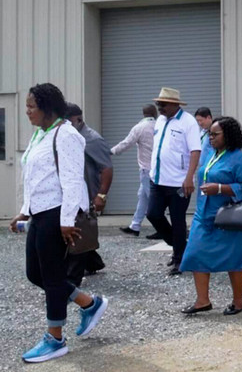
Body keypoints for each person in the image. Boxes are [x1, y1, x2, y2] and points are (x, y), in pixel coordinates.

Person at [9, 83, 108, 363]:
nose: (27, 111)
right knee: (35, 274)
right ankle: (88, 303)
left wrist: (66, 221)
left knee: (52, 277)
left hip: (57, 214)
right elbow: (35, 178)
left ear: (47, 108)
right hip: (40, 213)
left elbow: (73, 180)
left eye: (31, 106)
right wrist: (24, 212)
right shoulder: (41, 134)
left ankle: (55, 339)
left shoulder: (66, 135)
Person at [179, 116, 242, 315]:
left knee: (234, 259)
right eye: (209, 134)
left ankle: (238, 301)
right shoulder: (212, 154)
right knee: (194, 253)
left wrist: (221, 188)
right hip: (203, 215)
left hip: (228, 217)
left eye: (215, 134)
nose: (210, 138)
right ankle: (202, 301)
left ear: (228, 135)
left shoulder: (239, 158)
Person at [146, 87, 202, 276]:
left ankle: (179, 259)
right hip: (157, 179)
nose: (159, 107)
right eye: (158, 104)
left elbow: (195, 151)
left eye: (163, 104)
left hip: (179, 182)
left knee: (178, 221)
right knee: (153, 214)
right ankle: (180, 246)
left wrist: (189, 177)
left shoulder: (188, 122)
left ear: (174, 104)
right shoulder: (160, 121)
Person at [64, 104, 113, 286]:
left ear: (78, 119)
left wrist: (101, 195)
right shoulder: (69, 137)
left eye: (67, 121)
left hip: (87, 195)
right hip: (74, 192)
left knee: (80, 230)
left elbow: (106, 168)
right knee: (81, 230)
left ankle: (72, 279)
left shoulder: (92, 139)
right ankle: (93, 262)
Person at [111, 105, 157, 237]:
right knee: (143, 197)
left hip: (146, 169)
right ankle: (135, 226)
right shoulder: (159, 126)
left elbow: (127, 143)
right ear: (155, 113)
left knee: (155, 200)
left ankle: (162, 228)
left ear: (143, 114)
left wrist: (111, 151)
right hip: (157, 168)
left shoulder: (139, 128)